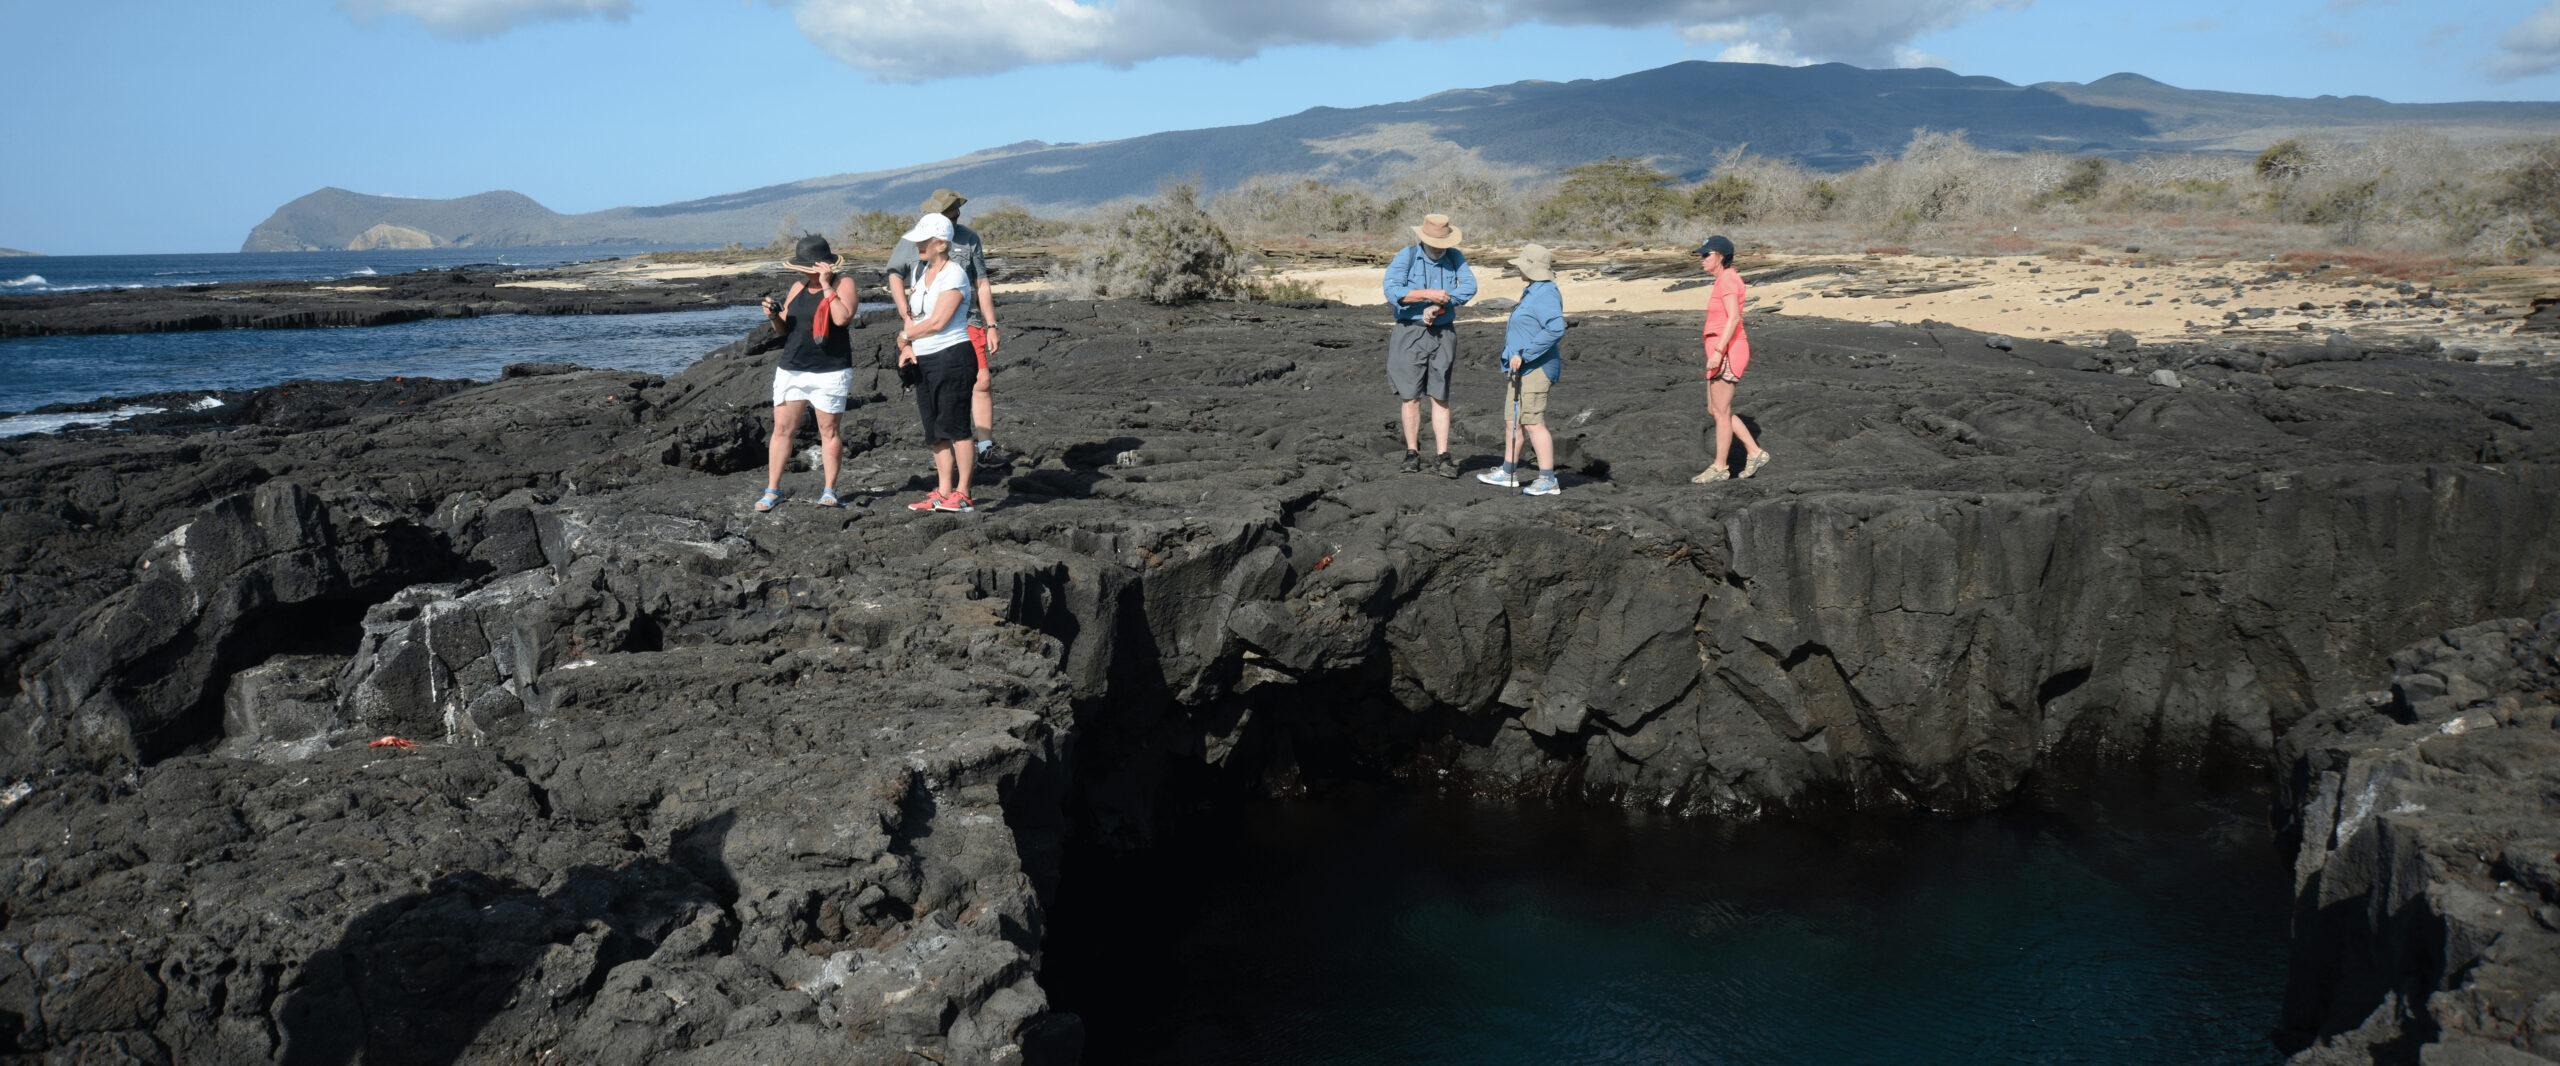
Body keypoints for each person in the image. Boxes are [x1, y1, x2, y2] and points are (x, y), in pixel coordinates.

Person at [886, 189, 1005, 464]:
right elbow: (895, 273)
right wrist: (906, 315)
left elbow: (982, 282)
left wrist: (991, 324)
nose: (955, 216)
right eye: (950, 212)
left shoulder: (969, 238)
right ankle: (949, 461)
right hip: (926, 326)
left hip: (967, 320)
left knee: (982, 380)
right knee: (933, 392)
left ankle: (985, 446)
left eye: (956, 212)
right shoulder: (917, 238)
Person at [755, 234, 858, 512]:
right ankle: (772, 490)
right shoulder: (797, 286)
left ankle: (829, 490)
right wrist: (774, 315)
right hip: (793, 368)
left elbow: (841, 318)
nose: (804, 272)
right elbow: (784, 329)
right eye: (802, 268)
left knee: (829, 431)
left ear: (825, 265)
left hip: (831, 370)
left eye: (808, 267)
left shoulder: (843, 283)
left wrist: (826, 286)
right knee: (782, 430)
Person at [894, 212, 980, 513]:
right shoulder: (920, 272)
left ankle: (964, 492)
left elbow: (940, 321)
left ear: (941, 243)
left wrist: (905, 335)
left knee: (956, 427)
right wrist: (908, 347)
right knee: (934, 430)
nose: (918, 244)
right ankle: (943, 492)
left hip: (952, 356)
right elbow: (918, 318)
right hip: (925, 359)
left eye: (924, 240)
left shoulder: (954, 274)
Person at [1382, 213, 1478, 477]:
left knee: (1440, 396)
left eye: (1443, 243)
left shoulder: (1455, 257)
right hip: (1409, 332)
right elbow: (1392, 290)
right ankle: (1412, 453)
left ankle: (1442, 456)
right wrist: (1427, 295)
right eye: (1436, 243)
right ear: (1423, 239)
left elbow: (1469, 287)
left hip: (1443, 332)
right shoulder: (1407, 256)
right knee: (1410, 397)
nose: (1440, 248)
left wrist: (1441, 304)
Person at [1478, 243, 1565, 496]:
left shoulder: (1546, 292)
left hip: (1536, 369)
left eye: (1522, 265)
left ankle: (1548, 479)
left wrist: (1525, 354)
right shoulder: (1533, 290)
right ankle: (1508, 472)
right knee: (1512, 421)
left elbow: (1556, 328)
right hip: (1521, 369)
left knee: (1533, 423)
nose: (1519, 269)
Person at [1693, 234, 1771, 483]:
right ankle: (1755, 452)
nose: (1702, 259)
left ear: (1721, 256)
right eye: (1702, 255)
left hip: (1727, 350)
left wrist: (1719, 352)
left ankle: (1720, 467)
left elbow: (1734, 318)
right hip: (1720, 348)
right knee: (1716, 409)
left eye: (1707, 255)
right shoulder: (1724, 280)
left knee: (1721, 411)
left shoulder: (1727, 280)